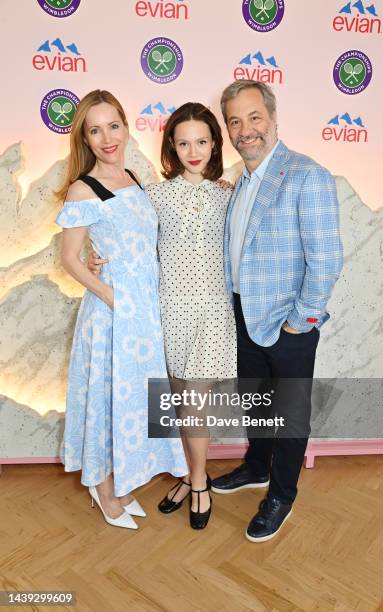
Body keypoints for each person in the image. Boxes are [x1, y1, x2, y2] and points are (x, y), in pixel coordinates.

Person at [89, 103, 237, 529]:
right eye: (184, 142)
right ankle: (190, 475)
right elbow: (125, 238)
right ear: (171, 146)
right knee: (174, 401)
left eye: (203, 141)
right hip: (164, 311)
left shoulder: (229, 194)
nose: (194, 150)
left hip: (211, 311)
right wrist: (97, 259)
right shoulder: (152, 196)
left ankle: (197, 484)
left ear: (214, 144)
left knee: (196, 403)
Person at [210, 80, 344, 542]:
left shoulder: (307, 175)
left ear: (272, 119)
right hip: (244, 316)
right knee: (256, 401)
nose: (245, 130)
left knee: (288, 414)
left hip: (289, 325)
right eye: (234, 121)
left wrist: (299, 321)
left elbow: (326, 258)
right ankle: (256, 467)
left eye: (254, 118)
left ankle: (281, 494)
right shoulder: (240, 180)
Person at [55, 89, 187, 530]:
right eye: (95, 130)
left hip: (145, 310)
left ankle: (121, 477)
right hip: (114, 313)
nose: (107, 137)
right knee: (109, 397)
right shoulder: (82, 188)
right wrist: (113, 298)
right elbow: (70, 259)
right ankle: (103, 486)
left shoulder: (133, 175)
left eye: (113, 125)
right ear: (85, 140)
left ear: (127, 128)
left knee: (134, 398)